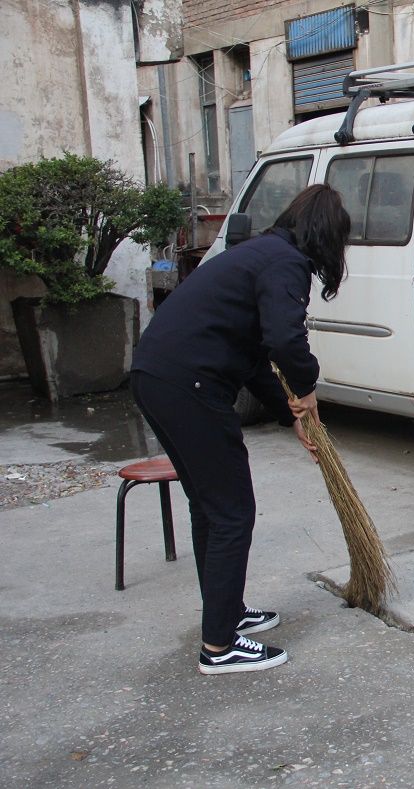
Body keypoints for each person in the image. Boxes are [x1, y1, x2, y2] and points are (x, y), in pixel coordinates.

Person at [131, 185, 350, 675]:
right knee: (232, 512)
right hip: (188, 385)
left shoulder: (260, 254)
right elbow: (286, 340)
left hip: (157, 377)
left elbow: (255, 357)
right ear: (327, 235)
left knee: (211, 508)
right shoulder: (286, 263)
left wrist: (292, 416)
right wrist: (307, 389)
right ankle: (219, 646)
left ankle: (225, 613)